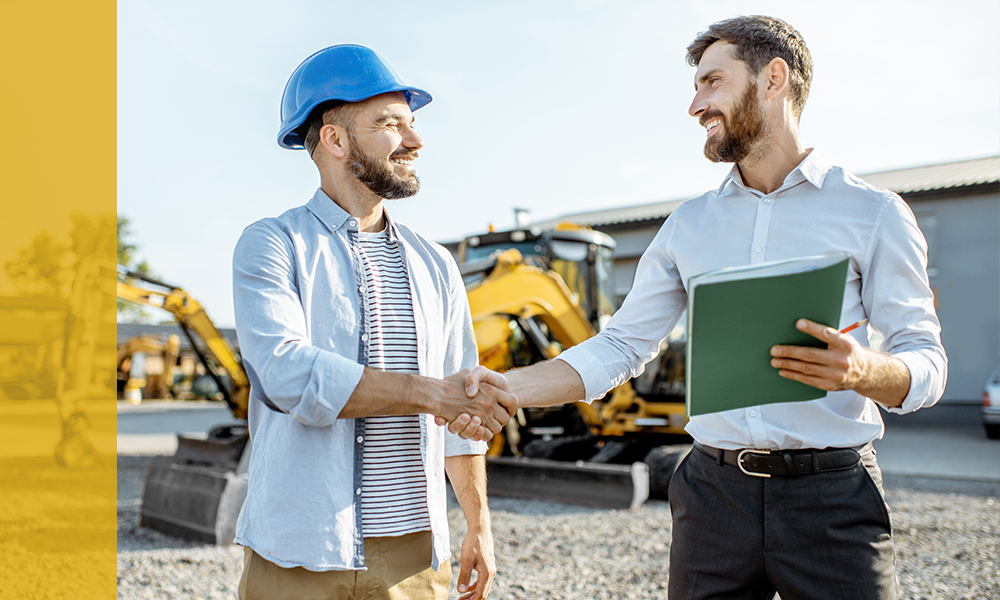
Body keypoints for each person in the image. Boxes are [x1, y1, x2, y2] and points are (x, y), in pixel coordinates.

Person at [453, 15, 947, 600]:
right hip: (714, 497)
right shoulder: (689, 226)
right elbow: (621, 346)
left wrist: (865, 371)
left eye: (712, 82)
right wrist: (506, 388)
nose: (695, 105)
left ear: (774, 78)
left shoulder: (874, 213)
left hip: (832, 498)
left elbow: (927, 364)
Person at [232, 45, 515, 600]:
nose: (415, 141)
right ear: (335, 139)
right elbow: (287, 375)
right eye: (391, 124)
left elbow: (462, 405)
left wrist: (478, 524)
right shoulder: (273, 245)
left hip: (411, 554)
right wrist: (430, 394)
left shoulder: (436, 264)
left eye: (412, 124)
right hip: (300, 548)